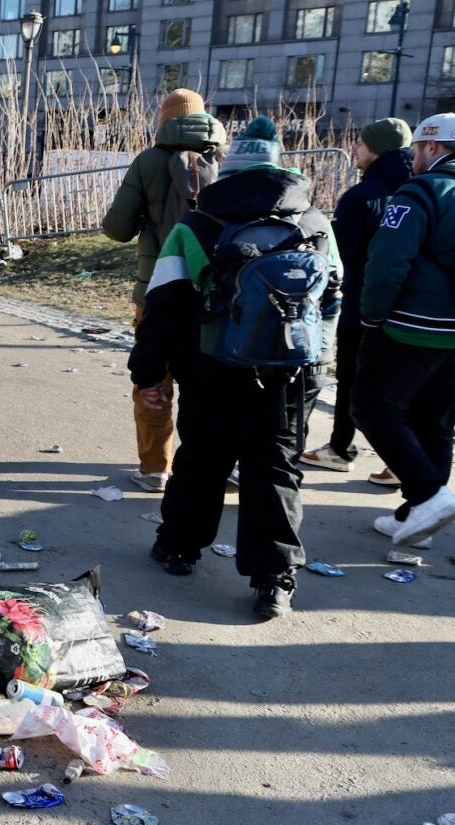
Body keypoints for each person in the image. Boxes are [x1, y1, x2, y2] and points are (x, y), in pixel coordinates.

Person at [128, 116, 338, 619]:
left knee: (202, 456)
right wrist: (317, 364)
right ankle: (274, 579)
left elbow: (164, 308)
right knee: (276, 466)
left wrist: (147, 373)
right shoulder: (315, 224)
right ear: (283, 169)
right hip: (290, 368)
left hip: (212, 362)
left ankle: (178, 547)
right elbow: (331, 300)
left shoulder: (197, 226)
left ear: (226, 170)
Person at [102, 89, 228, 494]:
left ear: (164, 120)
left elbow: (117, 229)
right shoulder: (229, 161)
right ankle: (215, 464)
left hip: (158, 289)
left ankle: (156, 467)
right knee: (213, 384)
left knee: (153, 381)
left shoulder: (149, 162)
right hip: (216, 293)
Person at [352, 113, 455, 548]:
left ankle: (428, 496)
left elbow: (388, 262)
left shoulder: (419, 192)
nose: (412, 157)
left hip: (414, 325)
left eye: (416, 149)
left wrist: (372, 317)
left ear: (432, 147)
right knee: (434, 419)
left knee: (371, 407)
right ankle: (419, 517)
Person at [300, 118, 413, 483]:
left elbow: (339, 257)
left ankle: (340, 449)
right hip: (408, 309)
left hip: (361, 306)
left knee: (352, 381)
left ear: (375, 149)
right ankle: (401, 461)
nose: (354, 150)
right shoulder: (420, 192)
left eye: (361, 144)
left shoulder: (360, 197)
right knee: (399, 386)